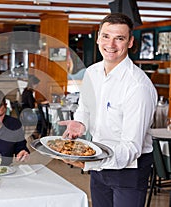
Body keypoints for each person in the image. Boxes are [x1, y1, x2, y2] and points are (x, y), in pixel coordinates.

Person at [59, 13, 157, 207]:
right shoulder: (92, 72)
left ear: (129, 42)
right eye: (106, 36)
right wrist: (80, 123)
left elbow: (131, 147)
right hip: (99, 160)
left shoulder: (138, 87)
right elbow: (84, 108)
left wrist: (89, 163)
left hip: (129, 170)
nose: (110, 44)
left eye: (119, 38)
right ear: (98, 38)